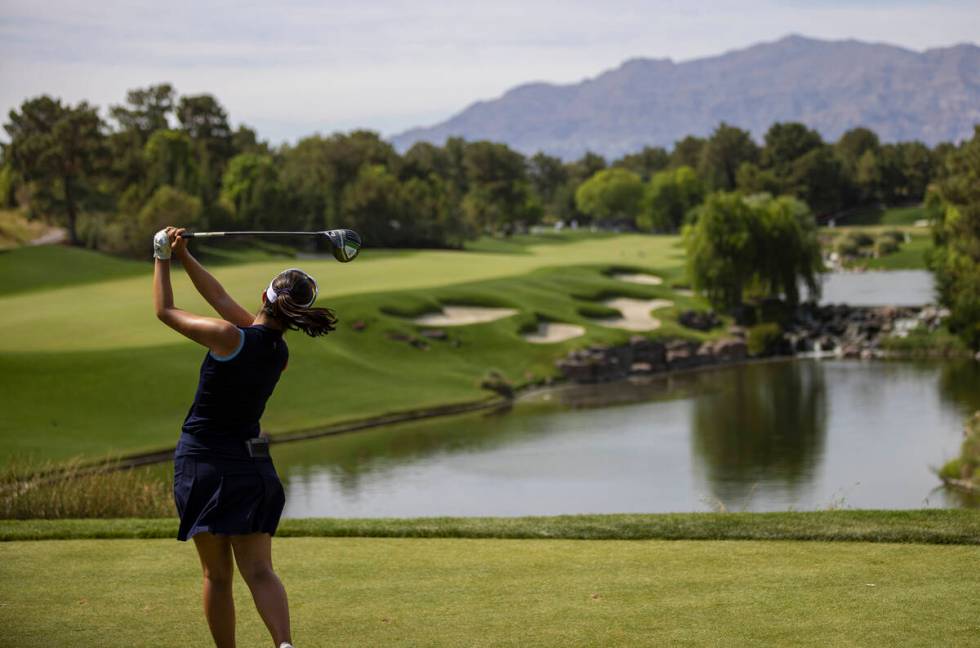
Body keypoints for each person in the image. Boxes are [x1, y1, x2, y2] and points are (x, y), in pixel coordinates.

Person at [152, 226, 337, 648]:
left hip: (205, 463)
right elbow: (219, 299)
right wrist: (183, 255)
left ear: (264, 298)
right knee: (260, 571)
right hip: (252, 469)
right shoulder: (279, 353)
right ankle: (285, 646)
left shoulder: (227, 337)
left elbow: (165, 311)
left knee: (217, 576)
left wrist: (161, 255)